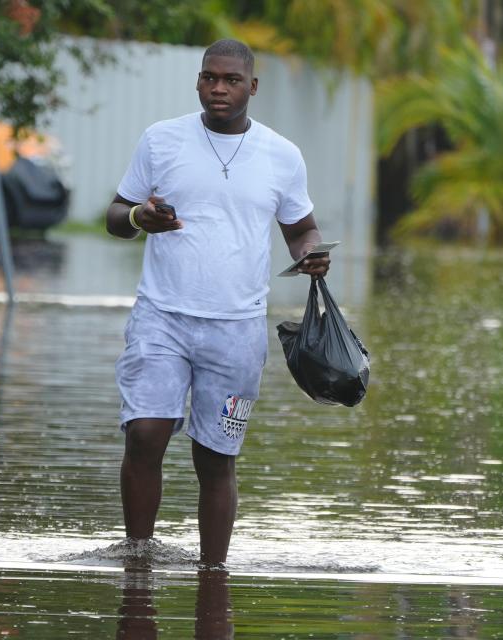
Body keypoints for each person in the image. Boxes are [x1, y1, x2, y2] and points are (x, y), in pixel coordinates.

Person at [105, 38, 330, 565]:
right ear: (199, 81)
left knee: (216, 456)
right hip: (161, 318)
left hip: (237, 331)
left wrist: (312, 254)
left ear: (252, 87)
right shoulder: (161, 141)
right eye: (210, 77)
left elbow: (301, 228)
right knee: (144, 434)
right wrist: (141, 218)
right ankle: (138, 557)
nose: (218, 88)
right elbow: (115, 215)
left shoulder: (281, 154)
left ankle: (214, 571)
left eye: (231, 80)